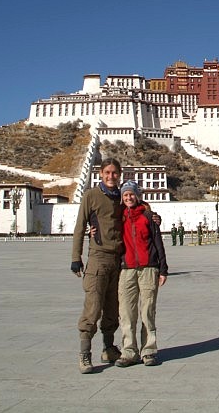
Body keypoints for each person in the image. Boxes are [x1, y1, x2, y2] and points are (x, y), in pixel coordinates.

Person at [71, 158, 125, 374]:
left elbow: (137, 213)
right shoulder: (91, 196)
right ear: (100, 174)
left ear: (119, 175)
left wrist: (154, 217)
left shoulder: (123, 196)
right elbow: (79, 226)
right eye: (107, 173)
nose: (111, 177)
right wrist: (76, 256)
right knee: (93, 307)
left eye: (115, 173)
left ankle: (109, 348)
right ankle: (85, 354)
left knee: (113, 308)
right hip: (98, 259)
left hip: (118, 260)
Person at [114, 181, 168, 367]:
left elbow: (157, 243)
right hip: (126, 269)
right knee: (126, 312)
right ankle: (129, 351)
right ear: (122, 198)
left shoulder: (148, 216)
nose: (129, 198)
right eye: (125, 195)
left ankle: (149, 350)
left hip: (148, 269)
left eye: (131, 194)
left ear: (138, 196)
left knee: (147, 311)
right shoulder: (118, 217)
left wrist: (163, 268)